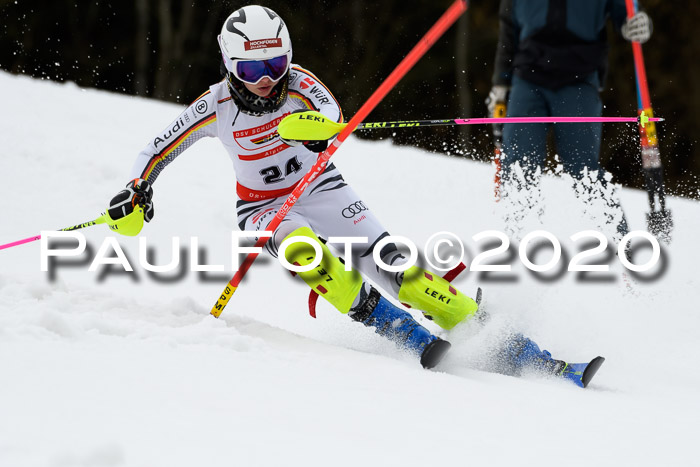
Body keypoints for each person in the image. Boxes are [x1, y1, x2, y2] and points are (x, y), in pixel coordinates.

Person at [108, 5, 601, 386]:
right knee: (310, 255)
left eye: (276, 63)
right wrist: (137, 189)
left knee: (399, 267)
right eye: (253, 69)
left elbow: (329, 111)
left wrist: (322, 134)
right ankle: (401, 331)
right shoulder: (212, 106)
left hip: (321, 187)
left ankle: (524, 354)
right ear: (229, 64)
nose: (267, 80)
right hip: (262, 208)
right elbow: (156, 150)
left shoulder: (300, 85)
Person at [487, 0, 653, 238]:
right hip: (528, 76)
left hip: (578, 77)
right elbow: (508, 28)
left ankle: (622, 247)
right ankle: (513, 245)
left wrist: (635, 23)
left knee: (583, 169)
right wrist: (500, 84)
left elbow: (625, 14)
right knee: (518, 166)